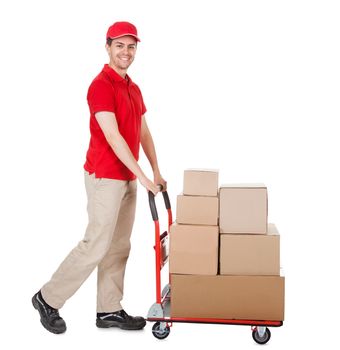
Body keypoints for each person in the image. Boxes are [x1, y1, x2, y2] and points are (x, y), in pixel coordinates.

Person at [32, 21, 167, 334]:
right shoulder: (100, 85)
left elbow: (142, 131)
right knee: (96, 243)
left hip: (128, 177)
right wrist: (144, 176)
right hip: (105, 176)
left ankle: (108, 309)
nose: (125, 52)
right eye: (119, 45)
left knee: (119, 245)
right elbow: (113, 136)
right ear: (107, 47)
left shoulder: (133, 87)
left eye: (131, 46)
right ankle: (47, 298)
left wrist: (156, 170)